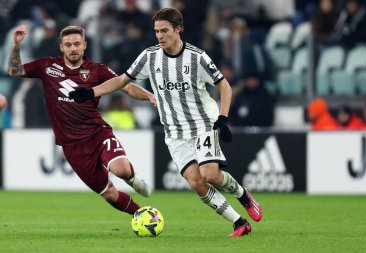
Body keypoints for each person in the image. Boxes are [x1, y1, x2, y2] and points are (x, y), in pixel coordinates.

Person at [69, 7, 263, 237]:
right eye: (156, 31)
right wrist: (91, 92)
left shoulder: (196, 58)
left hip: (202, 124)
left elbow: (224, 86)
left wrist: (223, 119)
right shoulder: (149, 57)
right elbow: (121, 80)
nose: (160, 36)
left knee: (210, 174)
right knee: (196, 182)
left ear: (178, 29)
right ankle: (239, 223)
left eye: (164, 30)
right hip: (174, 132)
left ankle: (242, 194)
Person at [8, 24, 156, 217]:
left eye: (77, 44)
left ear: (84, 45)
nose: (73, 48)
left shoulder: (96, 70)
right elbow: (15, 71)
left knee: (121, 170)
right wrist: (16, 45)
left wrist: (151, 96)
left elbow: (126, 86)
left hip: (97, 132)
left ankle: (132, 178)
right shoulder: (47, 66)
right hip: (72, 145)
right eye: (68, 45)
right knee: (109, 194)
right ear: (61, 47)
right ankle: (143, 215)